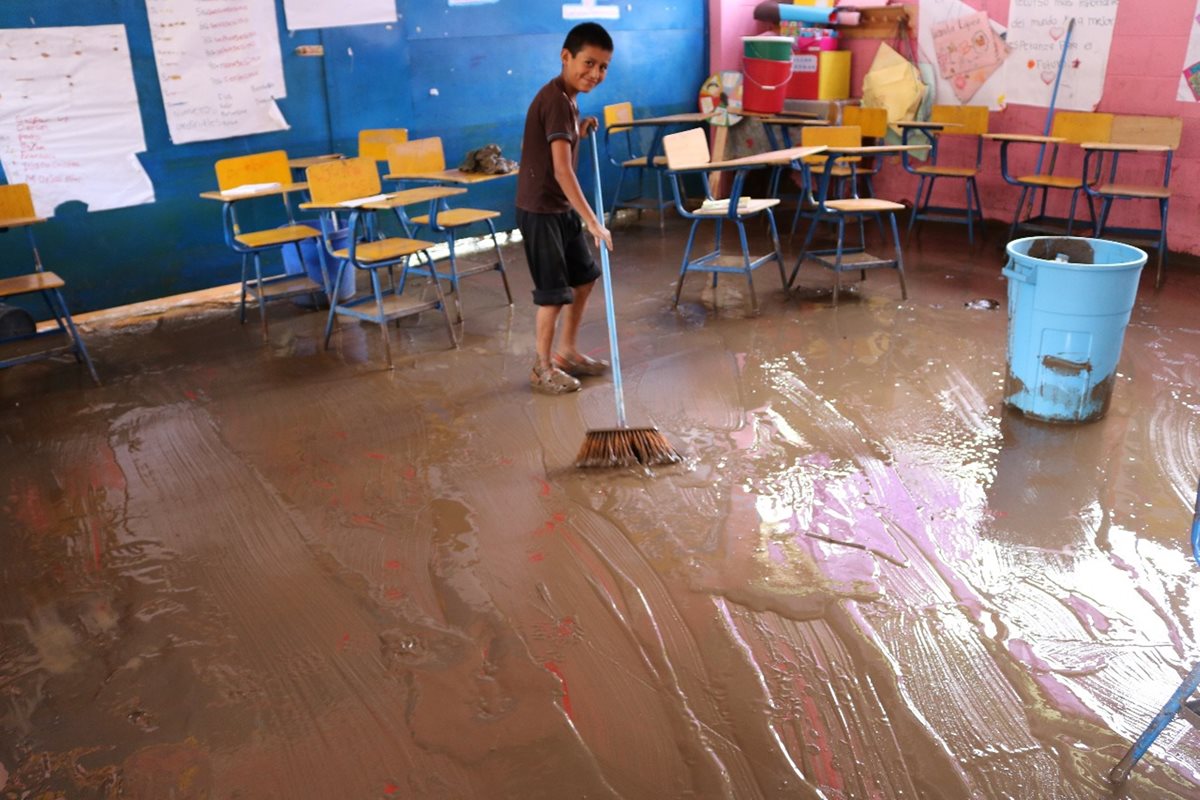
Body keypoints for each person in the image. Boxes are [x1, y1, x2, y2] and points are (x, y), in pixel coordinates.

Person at [515, 22, 615, 395]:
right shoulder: (556, 100)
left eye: (603, 67)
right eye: (588, 63)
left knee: (585, 277)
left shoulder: (568, 100)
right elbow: (561, 170)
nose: (595, 73)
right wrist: (593, 222)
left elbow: (560, 136)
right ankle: (542, 368)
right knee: (553, 293)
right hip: (541, 210)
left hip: (558, 209)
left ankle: (567, 353)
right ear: (565, 57)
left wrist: (580, 126)